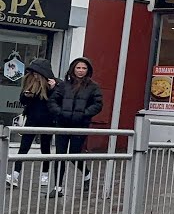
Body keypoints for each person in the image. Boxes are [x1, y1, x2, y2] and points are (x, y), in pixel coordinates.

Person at [6, 59, 60, 194]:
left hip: (47, 121)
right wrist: (26, 95)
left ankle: (45, 175)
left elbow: (58, 100)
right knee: (23, 148)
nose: (34, 75)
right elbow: (22, 100)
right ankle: (15, 175)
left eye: (37, 73)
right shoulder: (30, 81)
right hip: (31, 119)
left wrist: (53, 88)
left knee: (45, 148)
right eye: (33, 72)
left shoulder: (55, 83)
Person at [54, 57, 103, 194]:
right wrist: (60, 113)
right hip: (62, 124)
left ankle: (86, 174)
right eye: (78, 68)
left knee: (74, 155)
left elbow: (98, 104)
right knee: (60, 155)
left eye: (84, 68)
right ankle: (57, 187)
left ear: (88, 70)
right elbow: (53, 101)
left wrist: (83, 114)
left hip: (80, 125)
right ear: (73, 69)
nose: (81, 70)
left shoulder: (93, 87)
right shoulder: (64, 85)